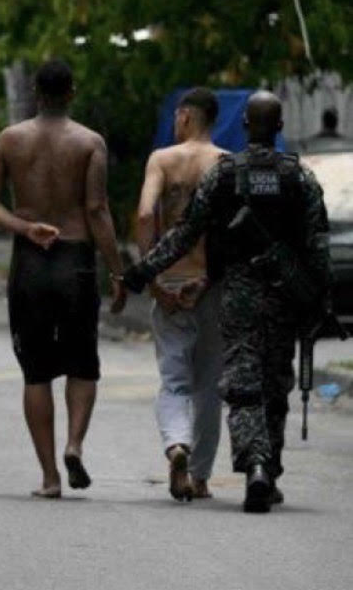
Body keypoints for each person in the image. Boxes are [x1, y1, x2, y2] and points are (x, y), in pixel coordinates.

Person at [122, 90, 332, 513]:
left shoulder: (225, 174)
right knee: (275, 384)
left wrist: (143, 271)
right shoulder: (300, 178)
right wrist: (318, 302)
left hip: (237, 295)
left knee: (242, 385)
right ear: (279, 129)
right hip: (284, 296)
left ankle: (252, 465)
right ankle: (267, 471)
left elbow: (185, 232)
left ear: (244, 126)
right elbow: (318, 247)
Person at [0, 59, 126, 499]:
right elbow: (97, 210)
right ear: (71, 93)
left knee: (36, 373)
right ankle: (74, 445)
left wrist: (23, 226)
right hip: (76, 259)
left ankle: (50, 477)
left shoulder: (12, 139)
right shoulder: (89, 142)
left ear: (36, 93)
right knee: (82, 363)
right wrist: (116, 270)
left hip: (32, 261)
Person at [135, 88, 227, 501]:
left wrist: (153, 278)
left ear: (187, 116)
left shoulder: (162, 160)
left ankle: (176, 446)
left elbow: (143, 215)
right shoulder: (226, 164)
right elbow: (230, 232)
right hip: (211, 285)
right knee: (209, 383)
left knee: (174, 379)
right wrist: (207, 278)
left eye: (177, 115)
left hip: (170, 281)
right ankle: (201, 476)